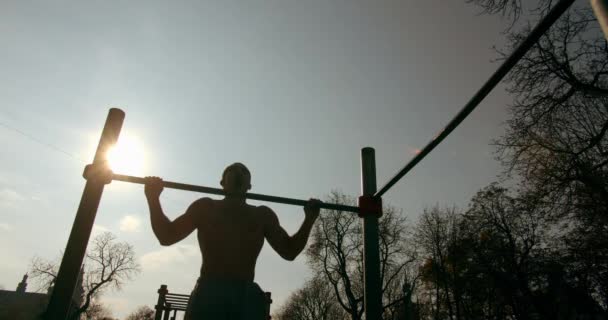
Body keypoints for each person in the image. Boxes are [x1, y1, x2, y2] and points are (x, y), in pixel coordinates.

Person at [144, 162, 322, 320]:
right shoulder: (206, 207)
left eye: (243, 170)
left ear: (249, 185)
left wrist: (309, 219)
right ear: (222, 183)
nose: (238, 172)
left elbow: (289, 251)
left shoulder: (262, 215)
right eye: (233, 169)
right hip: (209, 292)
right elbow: (166, 236)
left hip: (246, 296)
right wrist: (153, 198)